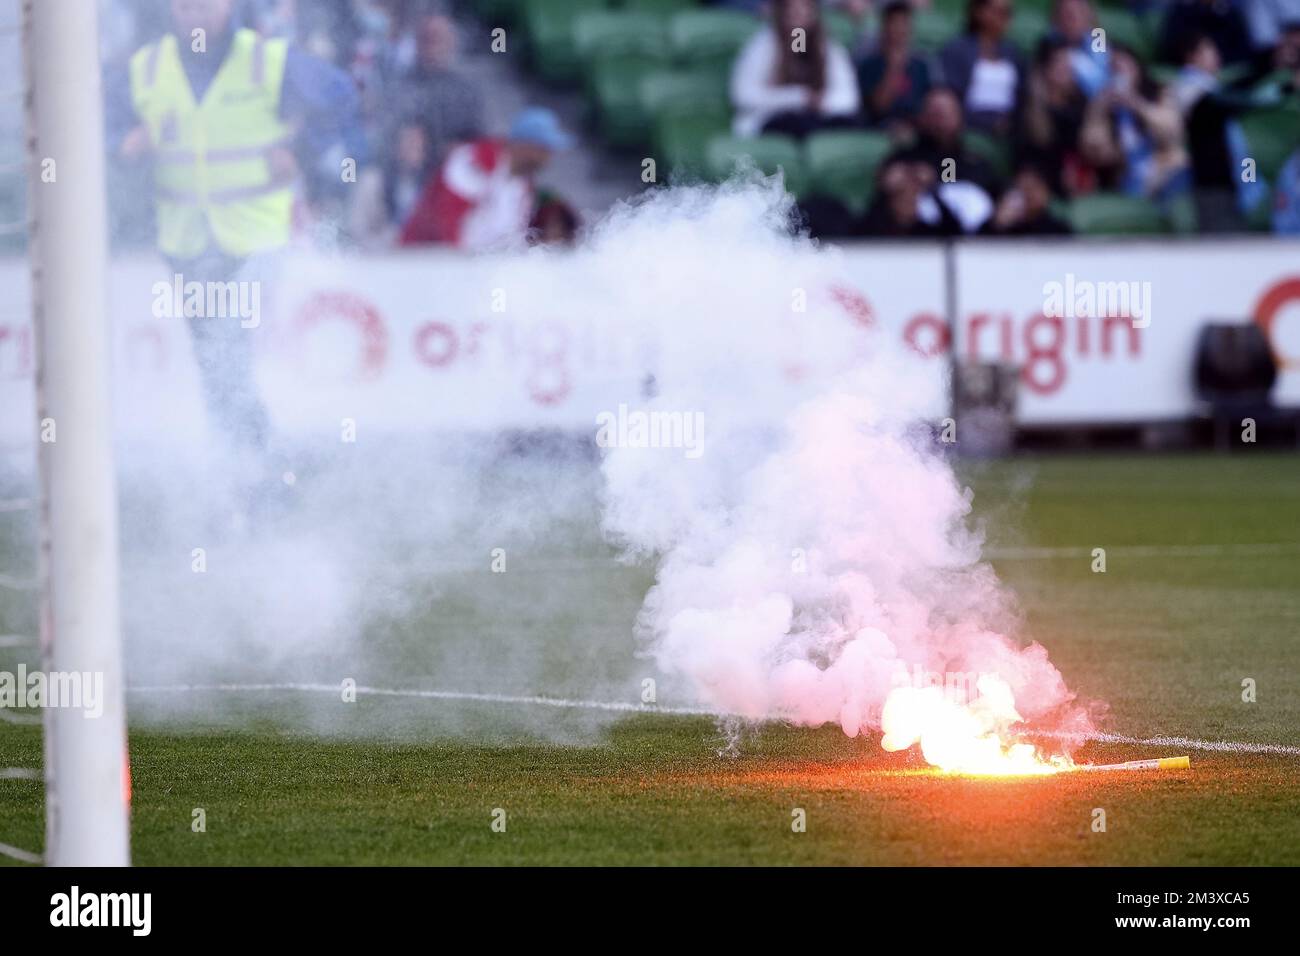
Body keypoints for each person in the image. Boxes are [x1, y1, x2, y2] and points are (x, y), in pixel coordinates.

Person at [107, 0, 361, 464]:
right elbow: (102, 126)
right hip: (185, 243)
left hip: (254, 241)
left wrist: (301, 153)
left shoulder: (267, 59)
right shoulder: (146, 68)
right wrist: (125, 145)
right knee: (214, 361)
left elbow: (341, 96)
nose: (193, 10)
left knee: (226, 346)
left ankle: (259, 467)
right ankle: (246, 465)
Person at [399, 107, 573, 251]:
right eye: (543, 150)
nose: (547, 159)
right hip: (429, 262)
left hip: (479, 273)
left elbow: (512, 239)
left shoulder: (524, 188)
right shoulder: (474, 159)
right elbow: (446, 215)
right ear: (524, 145)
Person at [729, 0, 861, 138]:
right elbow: (743, 95)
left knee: (850, 125)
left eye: (804, 9)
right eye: (792, 9)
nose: (798, 15)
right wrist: (797, 98)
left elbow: (849, 98)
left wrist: (819, 102)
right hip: (772, 119)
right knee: (799, 124)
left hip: (818, 119)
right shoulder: (763, 45)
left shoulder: (827, 47)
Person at [1080, 46, 1191, 202]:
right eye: (1114, 68)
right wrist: (1098, 111)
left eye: (1124, 65)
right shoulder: (1103, 106)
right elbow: (1096, 152)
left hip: (1170, 171)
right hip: (1133, 180)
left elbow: (1171, 132)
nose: (1120, 72)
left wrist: (1137, 104)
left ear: (1137, 67)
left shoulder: (1161, 91)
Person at [389, 13, 485, 169]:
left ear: (451, 44)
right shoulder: (398, 84)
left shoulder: (465, 91)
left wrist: (454, 150)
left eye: (437, 39)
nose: (431, 46)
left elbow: (477, 140)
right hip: (400, 171)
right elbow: (382, 129)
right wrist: (398, 142)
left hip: (447, 173)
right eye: (426, 39)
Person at [939, 0, 1024, 135]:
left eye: (1008, 13)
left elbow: (1021, 94)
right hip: (966, 125)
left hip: (1008, 127)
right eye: (999, 12)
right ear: (978, 12)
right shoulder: (957, 49)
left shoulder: (1012, 52)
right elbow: (952, 95)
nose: (1004, 18)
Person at [349, 118, 435, 248]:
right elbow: (356, 232)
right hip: (380, 261)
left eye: (419, 144)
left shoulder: (435, 185)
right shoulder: (371, 182)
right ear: (395, 146)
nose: (413, 150)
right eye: (408, 143)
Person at [857, 1, 934, 128]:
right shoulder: (869, 65)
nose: (900, 29)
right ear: (884, 27)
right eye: (895, 23)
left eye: (904, 23)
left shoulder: (921, 65)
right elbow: (879, 107)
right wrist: (894, 67)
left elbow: (927, 105)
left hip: (916, 127)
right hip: (880, 127)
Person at [983, 162, 1074, 233]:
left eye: (1032, 188)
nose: (1027, 195)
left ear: (1046, 192)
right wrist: (997, 225)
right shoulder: (1004, 227)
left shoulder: (1057, 229)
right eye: (1022, 189)